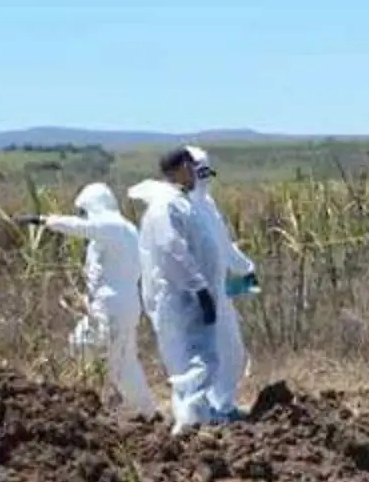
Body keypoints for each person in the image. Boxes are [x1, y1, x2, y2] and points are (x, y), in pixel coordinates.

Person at [17, 183, 157, 417]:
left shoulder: (114, 226)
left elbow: (81, 227)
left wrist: (43, 220)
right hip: (114, 304)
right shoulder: (115, 232)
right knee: (116, 358)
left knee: (106, 355)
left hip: (114, 305)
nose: (82, 215)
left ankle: (137, 409)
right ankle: (137, 408)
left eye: (84, 210)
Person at [128, 147, 224, 434]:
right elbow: (173, 250)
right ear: (183, 167)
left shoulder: (181, 202)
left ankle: (192, 419)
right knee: (201, 358)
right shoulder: (166, 206)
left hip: (187, 295)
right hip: (183, 297)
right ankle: (192, 419)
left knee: (189, 359)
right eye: (193, 167)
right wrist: (199, 288)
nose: (196, 174)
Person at [186, 147, 258, 418]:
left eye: (207, 173)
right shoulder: (182, 210)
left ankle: (222, 405)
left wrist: (244, 267)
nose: (205, 180)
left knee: (232, 352)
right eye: (200, 173)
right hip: (196, 295)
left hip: (218, 292)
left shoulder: (208, 206)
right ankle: (201, 412)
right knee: (205, 355)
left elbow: (223, 246)